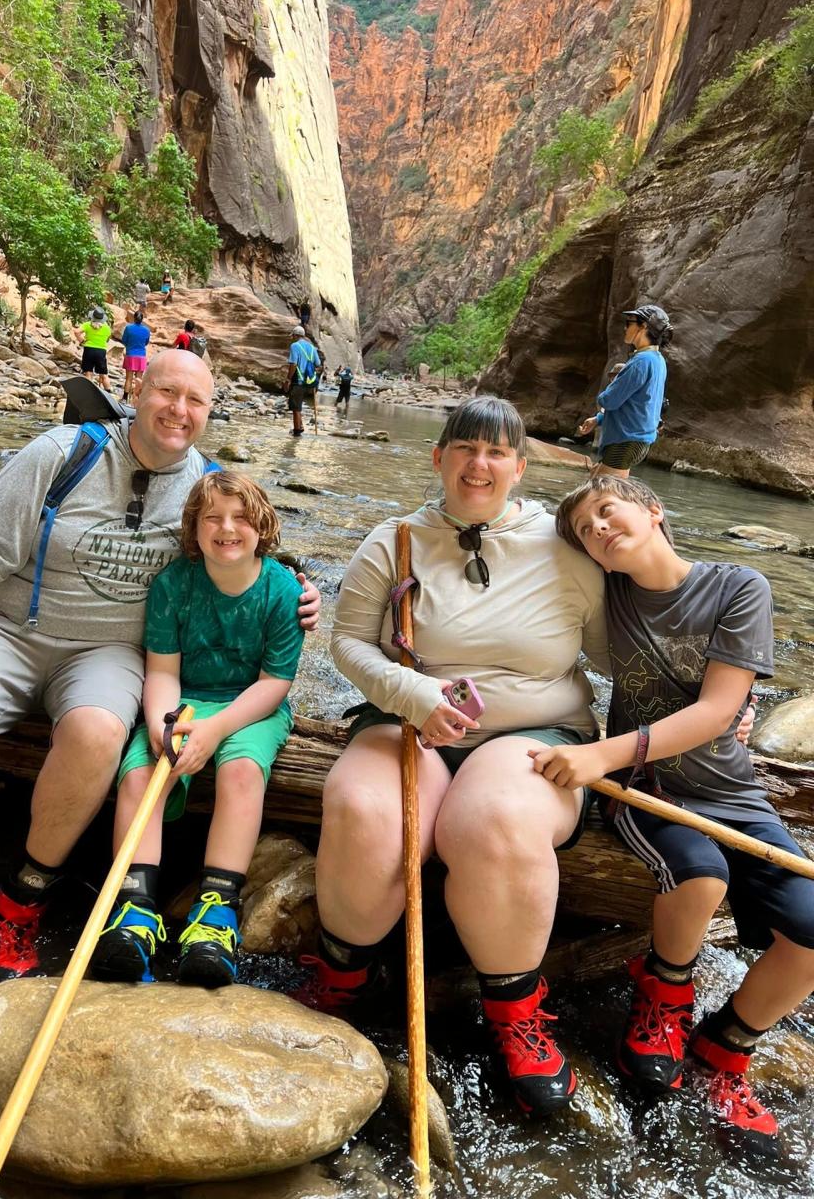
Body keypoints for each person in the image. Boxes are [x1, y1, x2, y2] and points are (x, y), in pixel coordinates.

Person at [0, 351, 321, 980]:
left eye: (196, 401)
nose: (179, 410)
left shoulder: (206, 488)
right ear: (136, 387)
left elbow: (242, 562)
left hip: (110, 653)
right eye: (166, 392)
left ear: (210, 412)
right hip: (10, 629)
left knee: (99, 735)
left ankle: (23, 898)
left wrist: (298, 591)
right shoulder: (63, 452)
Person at [301, 395, 611, 1116]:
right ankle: (342, 975)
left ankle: (515, 1011)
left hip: (536, 732)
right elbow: (347, 643)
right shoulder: (395, 539)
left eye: (497, 451)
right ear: (439, 458)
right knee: (364, 808)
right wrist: (412, 693)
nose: (480, 464)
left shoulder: (570, 550)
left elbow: (619, 653)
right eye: (465, 448)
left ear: (519, 467)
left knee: (492, 818)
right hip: (407, 719)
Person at [543, 476, 814, 1151]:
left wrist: (600, 753)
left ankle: (726, 1049)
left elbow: (720, 710)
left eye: (608, 511)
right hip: (649, 791)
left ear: (654, 510)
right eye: (585, 530)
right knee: (699, 874)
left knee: (811, 929)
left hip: (733, 792)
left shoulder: (738, 586)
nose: (599, 529)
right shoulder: (606, 591)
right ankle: (665, 993)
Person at [92, 472, 305, 986]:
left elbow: (274, 683)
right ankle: (134, 908)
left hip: (252, 706)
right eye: (212, 517)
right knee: (142, 775)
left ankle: (216, 911)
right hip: (183, 701)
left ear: (262, 526)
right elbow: (162, 671)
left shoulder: (282, 592)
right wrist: (167, 728)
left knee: (240, 773)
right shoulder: (173, 586)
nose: (226, 528)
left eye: (240, 518)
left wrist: (216, 732)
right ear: (193, 528)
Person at [577, 304, 670, 477]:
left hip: (626, 441)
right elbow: (637, 405)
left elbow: (609, 400)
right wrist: (598, 419)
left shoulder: (641, 361)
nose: (625, 327)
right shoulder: (657, 360)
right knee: (595, 481)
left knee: (601, 493)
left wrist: (610, 387)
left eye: (629, 322)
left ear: (643, 326)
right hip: (636, 441)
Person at [285, 329, 321, 437]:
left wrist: (288, 379)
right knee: (298, 404)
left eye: (293, 336)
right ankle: (300, 426)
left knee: (296, 407)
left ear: (296, 335)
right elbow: (318, 363)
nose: (292, 338)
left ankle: (297, 432)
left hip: (298, 381)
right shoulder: (312, 347)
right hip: (310, 382)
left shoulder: (295, 346)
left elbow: (293, 364)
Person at [74, 307, 113, 392]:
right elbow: (107, 339)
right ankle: (109, 392)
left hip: (89, 350)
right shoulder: (107, 328)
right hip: (101, 351)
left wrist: (82, 341)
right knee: (103, 374)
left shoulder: (87, 324)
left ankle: (88, 393)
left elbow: (76, 332)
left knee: (88, 373)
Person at [121, 310, 151, 402]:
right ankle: (137, 399)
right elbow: (146, 342)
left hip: (130, 355)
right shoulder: (146, 330)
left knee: (129, 378)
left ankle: (125, 398)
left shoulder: (128, 328)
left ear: (134, 318)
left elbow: (124, 340)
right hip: (141, 356)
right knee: (139, 380)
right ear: (142, 319)